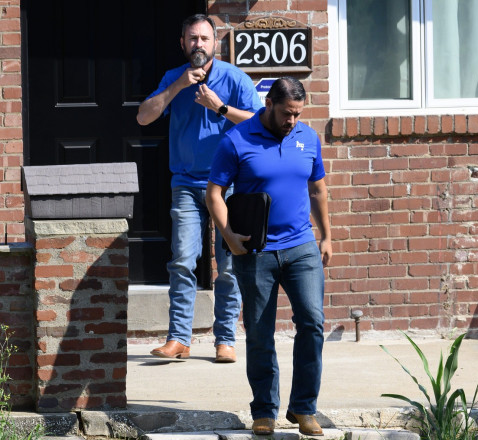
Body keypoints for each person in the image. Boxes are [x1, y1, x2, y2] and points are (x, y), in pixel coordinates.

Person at [206, 77, 331, 436]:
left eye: (298, 114)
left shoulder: (308, 138)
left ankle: (304, 408)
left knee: (312, 322)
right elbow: (214, 194)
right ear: (269, 104)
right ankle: (264, 409)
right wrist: (227, 235)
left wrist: (327, 237)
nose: (292, 120)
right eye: (287, 113)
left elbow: (318, 189)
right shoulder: (236, 140)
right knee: (260, 333)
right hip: (255, 251)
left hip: (301, 247)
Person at [136, 14, 263, 363]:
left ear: (215, 42)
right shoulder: (171, 78)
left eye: (204, 39)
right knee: (181, 260)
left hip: (229, 186)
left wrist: (219, 107)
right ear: (183, 44)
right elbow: (143, 117)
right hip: (187, 184)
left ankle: (225, 339)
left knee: (230, 262)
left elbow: (261, 123)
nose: (198, 45)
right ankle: (179, 338)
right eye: (192, 39)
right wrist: (178, 86)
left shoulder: (234, 78)